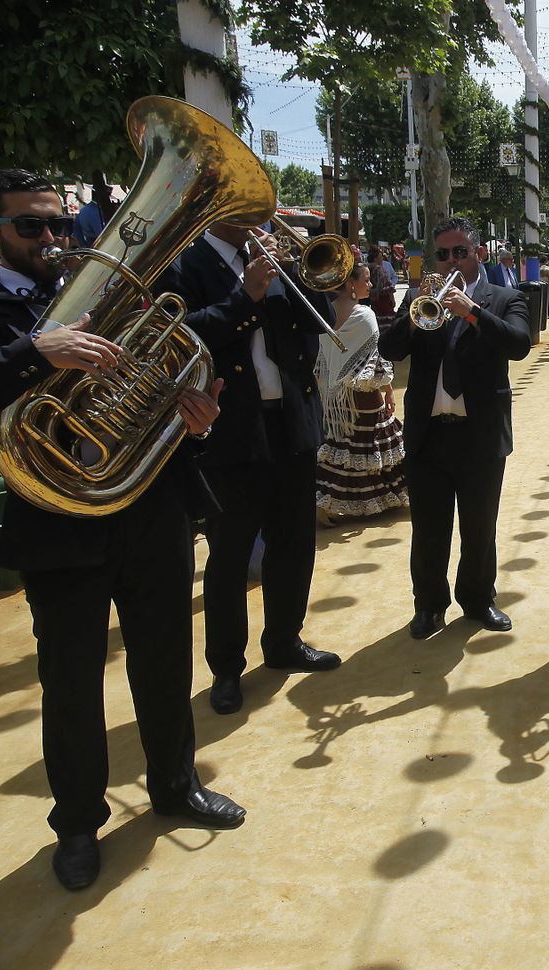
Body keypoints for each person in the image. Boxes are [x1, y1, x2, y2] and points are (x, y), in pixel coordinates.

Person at [0, 168, 244, 890]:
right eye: (31, 225)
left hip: (149, 513)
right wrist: (38, 352)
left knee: (164, 662)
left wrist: (194, 423)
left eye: (57, 224)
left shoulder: (127, 304)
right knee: (69, 684)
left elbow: (158, 393)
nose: (52, 238)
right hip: (58, 528)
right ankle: (78, 823)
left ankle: (174, 784)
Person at [168, 220, 341, 716]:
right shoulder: (186, 264)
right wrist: (248, 295)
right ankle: (226, 668)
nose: (256, 218)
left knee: (294, 541)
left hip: (291, 421)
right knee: (230, 554)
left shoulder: (276, 257)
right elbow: (184, 335)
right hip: (230, 430)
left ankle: (285, 640)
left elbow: (319, 323)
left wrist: (302, 275)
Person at [380, 216, 532, 640]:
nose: (451, 262)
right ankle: (428, 606)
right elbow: (389, 349)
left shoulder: (503, 297)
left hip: (480, 434)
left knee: (479, 526)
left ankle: (479, 600)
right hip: (430, 434)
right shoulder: (418, 296)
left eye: (459, 252)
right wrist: (413, 316)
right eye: (443, 254)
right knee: (429, 528)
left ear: (477, 254)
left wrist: (474, 313)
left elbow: (519, 344)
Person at [315, 261, 407, 525]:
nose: (369, 284)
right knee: (375, 443)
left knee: (344, 447)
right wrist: (388, 390)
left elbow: (324, 358)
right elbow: (374, 360)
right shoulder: (364, 314)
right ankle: (387, 495)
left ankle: (326, 502)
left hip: (336, 397)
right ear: (349, 284)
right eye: (365, 280)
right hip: (363, 394)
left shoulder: (326, 312)